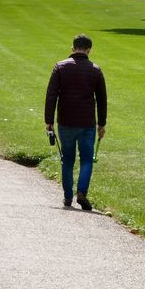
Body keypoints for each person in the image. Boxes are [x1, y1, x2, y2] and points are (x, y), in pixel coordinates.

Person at [45, 34, 107, 211]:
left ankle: (67, 197)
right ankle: (82, 192)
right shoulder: (95, 70)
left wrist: (48, 121)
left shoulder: (60, 67)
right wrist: (101, 124)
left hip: (65, 121)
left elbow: (51, 96)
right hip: (87, 122)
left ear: (72, 48)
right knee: (87, 159)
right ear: (89, 50)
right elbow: (102, 100)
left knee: (68, 159)